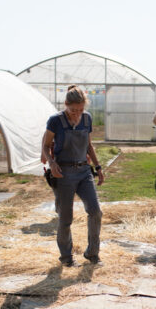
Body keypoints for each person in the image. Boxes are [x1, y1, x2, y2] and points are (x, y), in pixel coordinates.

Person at [42, 85, 105, 266]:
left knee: (95, 212)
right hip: (63, 173)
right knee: (65, 218)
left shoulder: (87, 119)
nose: (76, 113)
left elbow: (89, 146)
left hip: (84, 171)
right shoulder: (55, 120)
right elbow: (46, 145)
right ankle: (66, 257)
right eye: (72, 110)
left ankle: (92, 253)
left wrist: (98, 167)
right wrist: (52, 163)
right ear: (66, 105)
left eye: (80, 110)